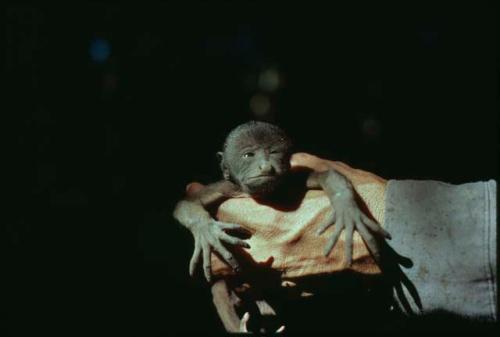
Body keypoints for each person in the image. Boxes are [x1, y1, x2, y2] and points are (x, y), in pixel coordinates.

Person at [184, 152, 497, 332]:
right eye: (250, 157)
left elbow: (328, 179)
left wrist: (387, 220)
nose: (265, 165)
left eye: (274, 154)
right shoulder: (223, 191)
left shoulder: (290, 173)